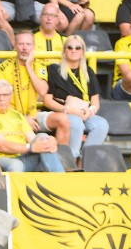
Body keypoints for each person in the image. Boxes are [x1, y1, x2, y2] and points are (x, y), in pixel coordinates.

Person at [0, 29, 73, 153]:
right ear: (14, 46)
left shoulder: (39, 65)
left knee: (63, 119)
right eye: (21, 44)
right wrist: (22, 118)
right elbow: (0, 100)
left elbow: (42, 91)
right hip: (11, 115)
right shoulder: (4, 67)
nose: (24, 48)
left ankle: (63, 160)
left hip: (34, 115)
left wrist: (28, 66)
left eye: (28, 44)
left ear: (34, 47)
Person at [43, 34, 109, 168]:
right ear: (64, 51)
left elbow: (95, 102)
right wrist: (69, 110)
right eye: (70, 47)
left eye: (78, 48)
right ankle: (71, 162)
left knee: (102, 124)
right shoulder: (54, 69)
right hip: (65, 112)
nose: (74, 50)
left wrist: (90, 112)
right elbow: (47, 100)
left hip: (84, 113)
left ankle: (85, 161)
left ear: (82, 52)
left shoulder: (88, 71)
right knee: (75, 122)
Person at [0, 79, 66, 173]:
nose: (1, 99)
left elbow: (33, 139)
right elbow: (1, 146)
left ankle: (60, 180)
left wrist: (50, 141)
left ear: (10, 96)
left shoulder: (17, 115)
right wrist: (30, 147)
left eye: (5, 95)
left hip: (22, 156)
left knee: (43, 138)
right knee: (16, 164)